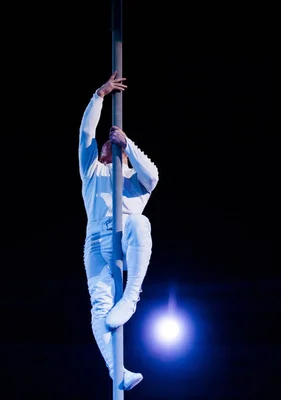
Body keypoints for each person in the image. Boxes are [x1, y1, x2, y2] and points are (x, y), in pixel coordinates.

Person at [78, 71, 159, 390]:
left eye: (114, 146)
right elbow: (85, 134)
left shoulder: (135, 180)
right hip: (96, 240)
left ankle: (132, 294)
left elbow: (153, 175)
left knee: (141, 222)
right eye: (105, 146)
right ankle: (118, 372)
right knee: (100, 306)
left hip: (125, 237)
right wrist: (98, 96)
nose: (106, 146)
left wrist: (128, 143)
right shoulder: (92, 170)